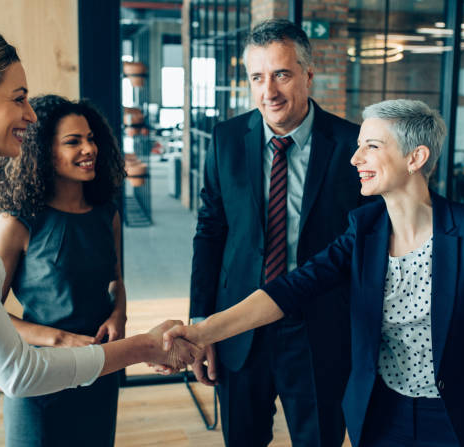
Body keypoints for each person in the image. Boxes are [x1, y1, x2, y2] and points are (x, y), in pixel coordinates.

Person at [0, 26, 195, 447]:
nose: (31, 114)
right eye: (18, 98)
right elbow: (16, 372)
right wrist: (145, 347)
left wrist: (118, 322)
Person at [165, 99, 464, 447]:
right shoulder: (364, 229)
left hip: (456, 414)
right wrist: (201, 330)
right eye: (359, 145)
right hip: (382, 412)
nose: (355, 158)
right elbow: (291, 288)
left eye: (371, 146)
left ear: (415, 158)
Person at [188, 18, 363, 447]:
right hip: (239, 327)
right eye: (257, 77)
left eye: (282, 74)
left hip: (318, 327)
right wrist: (202, 321)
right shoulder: (226, 139)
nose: (269, 91)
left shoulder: (352, 146)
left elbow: (364, 245)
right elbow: (210, 232)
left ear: (307, 74)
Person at [0, 95, 125, 446]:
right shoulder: (16, 223)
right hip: (40, 374)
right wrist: (59, 339)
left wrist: (119, 315)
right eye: (73, 141)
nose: (89, 149)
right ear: (43, 151)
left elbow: (116, 280)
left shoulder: (106, 213)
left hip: (99, 366)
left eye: (91, 138)